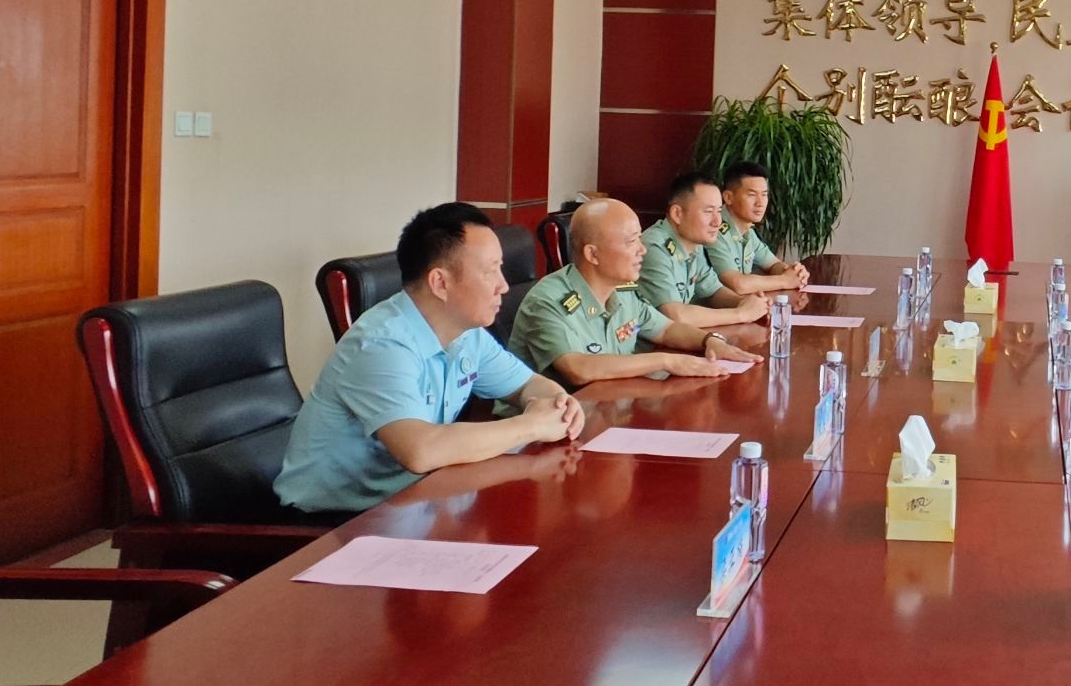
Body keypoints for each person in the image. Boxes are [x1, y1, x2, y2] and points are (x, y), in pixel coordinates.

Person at [275, 203, 584, 516]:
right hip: (334, 523)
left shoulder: (467, 335)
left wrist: (560, 405)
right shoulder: (381, 345)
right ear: (440, 283)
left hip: (414, 502)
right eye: (490, 271)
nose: (503, 286)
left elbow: (529, 385)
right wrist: (532, 426)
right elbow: (420, 451)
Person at [510, 199, 764, 385]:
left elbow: (666, 329)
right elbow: (578, 368)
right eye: (631, 242)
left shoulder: (622, 292)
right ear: (592, 254)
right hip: (545, 430)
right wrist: (666, 361)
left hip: (605, 409)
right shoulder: (548, 300)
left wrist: (710, 341)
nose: (642, 250)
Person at [637, 172, 768, 325]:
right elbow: (675, 315)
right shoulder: (654, 247)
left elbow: (713, 292)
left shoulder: (694, 243)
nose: (717, 222)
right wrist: (740, 314)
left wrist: (746, 303)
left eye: (719, 211)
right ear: (677, 214)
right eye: (708, 212)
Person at [707, 161, 811, 297]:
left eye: (764, 195)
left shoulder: (748, 230)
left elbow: (773, 265)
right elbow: (737, 284)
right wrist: (784, 280)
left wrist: (793, 272)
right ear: (728, 197)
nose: (760, 203)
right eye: (752, 195)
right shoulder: (714, 230)